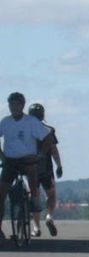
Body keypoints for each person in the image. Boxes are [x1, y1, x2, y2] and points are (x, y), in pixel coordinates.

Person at [0, 92, 51, 239]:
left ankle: (34, 199)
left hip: (28, 159)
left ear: (22, 105)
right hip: (10, 160)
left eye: (16, 104)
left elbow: (47, 137)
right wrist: (2, 155)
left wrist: (41, 154)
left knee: (33, 179)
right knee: (1, 194)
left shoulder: (31, 122)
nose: (13, 107)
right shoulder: (5, 122)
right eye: (11, 104)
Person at [27, 103, 62, 237]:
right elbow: (54, 150)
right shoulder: (48, 130)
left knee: (33, 195)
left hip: (28, 166)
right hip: (45, 167)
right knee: (51, 194)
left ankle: (36, 227)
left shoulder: (26, 130)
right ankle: (48, 216)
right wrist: (59, 166)